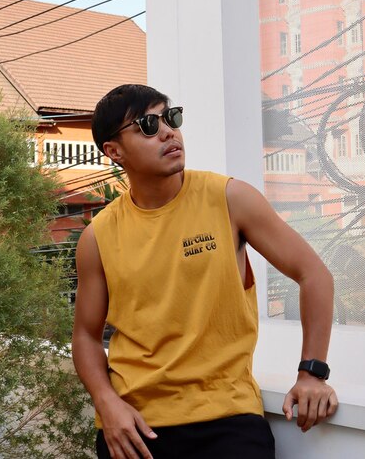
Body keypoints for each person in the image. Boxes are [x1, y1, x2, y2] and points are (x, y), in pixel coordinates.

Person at [72, 84, 338, 459]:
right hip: (134, 429)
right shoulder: (97, 237)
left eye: (171, 117)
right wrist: (106, 403)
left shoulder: (229, 199)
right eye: (148, 125)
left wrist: (312, 373)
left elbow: (314, 275)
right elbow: (85, 335)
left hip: (227, 421)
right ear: (114, 151)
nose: (167, 132)